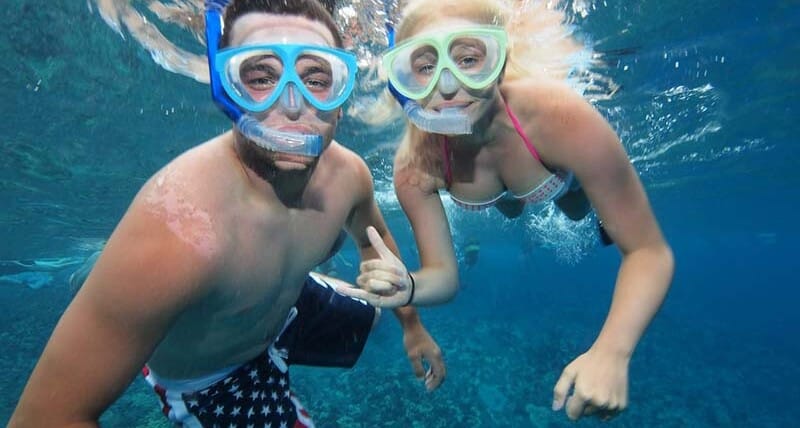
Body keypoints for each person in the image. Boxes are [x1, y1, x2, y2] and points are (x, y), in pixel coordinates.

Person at [9, 0, 445, 426]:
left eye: (316, 77)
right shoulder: (178, 231)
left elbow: (378, 245)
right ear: (225, 89)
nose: (292, 105)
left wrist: (412, 326)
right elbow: (43, 416)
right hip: (212, 381)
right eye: (259, 77)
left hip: (275, 310)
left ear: (343, 95)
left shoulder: (350, 176)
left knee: (365, 321)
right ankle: (106, 277)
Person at [339, 0, 674, 422]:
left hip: (554, 172)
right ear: (403, 79)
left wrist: (612, 351)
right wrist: (409, 286)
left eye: (468, 59)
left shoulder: (558, 115)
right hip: (505, 190)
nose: (447, 86)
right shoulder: (416, 164)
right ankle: (515, 197)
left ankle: (586, 205)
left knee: (574, 207)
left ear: (499, 59)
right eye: (424, 67)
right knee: (512, 207)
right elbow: (443, 277)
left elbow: (649, 251)